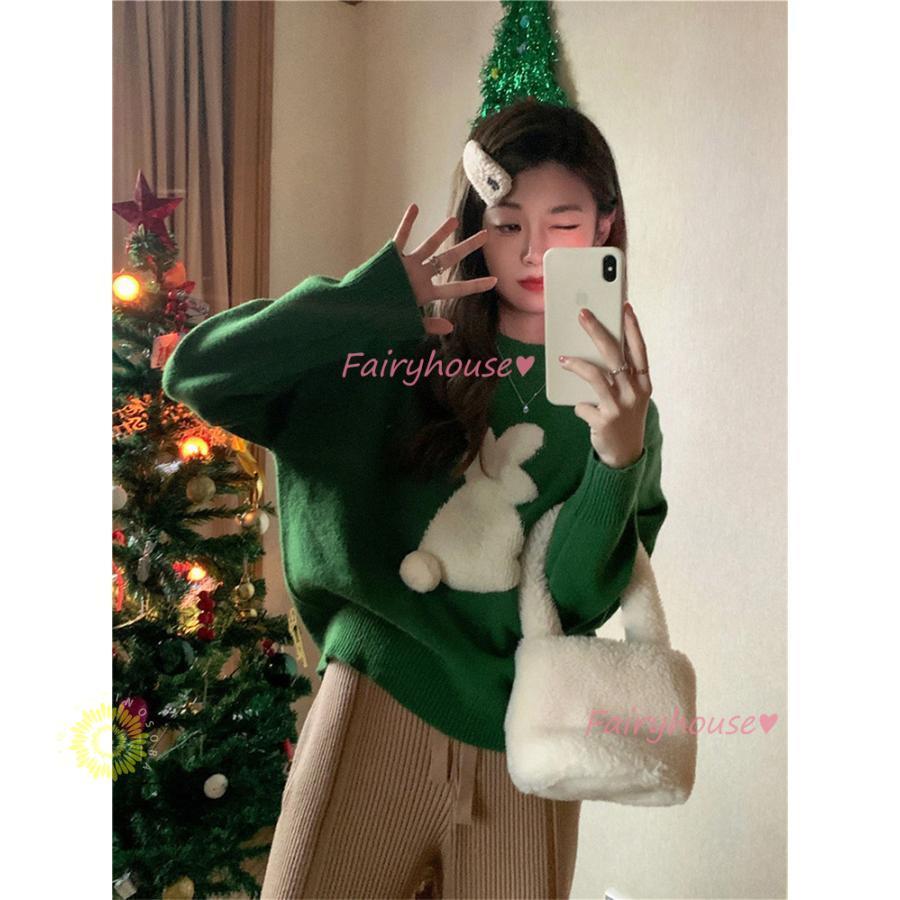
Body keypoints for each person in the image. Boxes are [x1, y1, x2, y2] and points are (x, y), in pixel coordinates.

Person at [162, 97, 667, 899]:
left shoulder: (623, 408)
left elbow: (575, 597)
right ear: (474, 223)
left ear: (605, 225)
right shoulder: (397, 346)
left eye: (564, 221)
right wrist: (367, 300)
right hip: (376, 701)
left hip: (527, 738)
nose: (533, 250)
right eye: (508, 223)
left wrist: (617, 459)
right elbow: (198, 373)